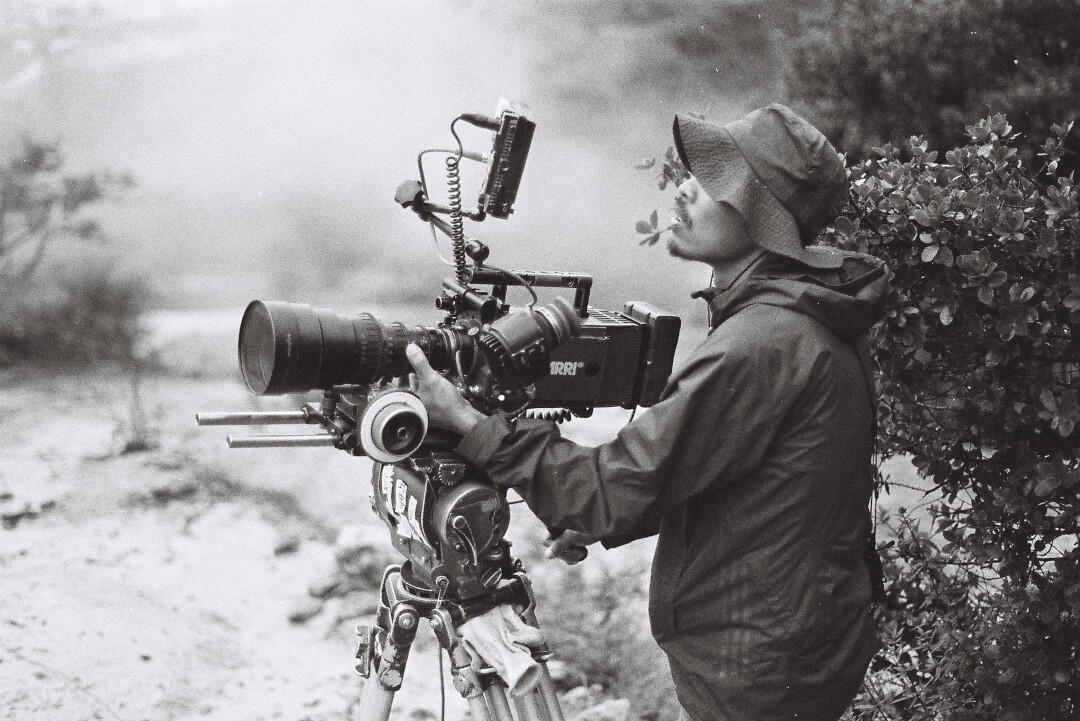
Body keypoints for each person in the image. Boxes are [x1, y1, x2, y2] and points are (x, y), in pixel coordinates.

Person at [405, 103, 888, 721]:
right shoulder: (793, 322)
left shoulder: (763, 342)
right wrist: (610, 511)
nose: (685, 188)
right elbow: (749, 484)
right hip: (791, 640)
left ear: (763, 221)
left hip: (759, 661)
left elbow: (613, 487)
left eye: (715, 184)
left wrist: (471, 428)